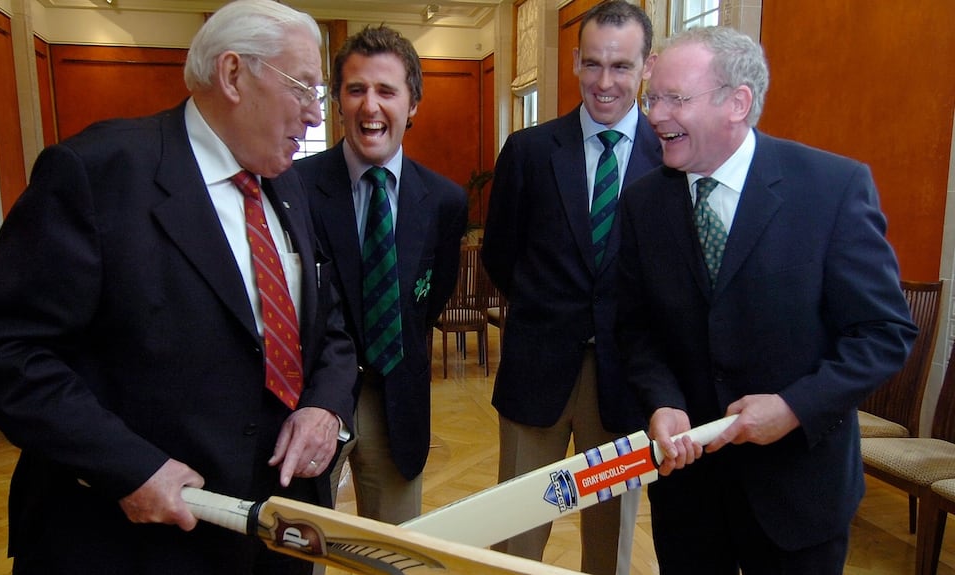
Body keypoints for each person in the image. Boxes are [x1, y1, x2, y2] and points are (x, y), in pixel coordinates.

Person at [0, 2, 358, 574]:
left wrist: (324, 406)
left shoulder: (286, 184)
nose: (317, 116)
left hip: (271, 534)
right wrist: (127, 466)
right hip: (133, 541)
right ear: (234, 74)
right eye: (305, 89)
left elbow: (329, 327)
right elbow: (0, 351)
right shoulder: (97, 172)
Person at [615, 25, 918, 574]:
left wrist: (794, 407)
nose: (654, 114)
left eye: (674, 99)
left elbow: (883, 333)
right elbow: (636, 329)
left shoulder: (831, 187)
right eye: (651, 96)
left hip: (798, 496)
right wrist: (662, 400)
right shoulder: (642, 203)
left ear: (738, 102)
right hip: (690, 499)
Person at [479, 2, 660, 573]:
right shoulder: (529, 153)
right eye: (592, 64)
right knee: (516, 526)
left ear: (645, 67)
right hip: (537, 370)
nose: (604, 83)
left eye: (621, 66)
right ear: (577, 62)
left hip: (624, 379)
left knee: (609, 541)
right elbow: (500, 256)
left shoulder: (670, 157)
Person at [295, 25, 467, 525]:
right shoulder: (295, 189)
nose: (370, 106)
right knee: (303, 547)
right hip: (313, 403)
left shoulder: (445, 201)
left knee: (391, 551)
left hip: (399, 404)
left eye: (387, 91)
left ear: (412, 104)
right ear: (338, 102)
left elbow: (429, 302)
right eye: (356, 90)